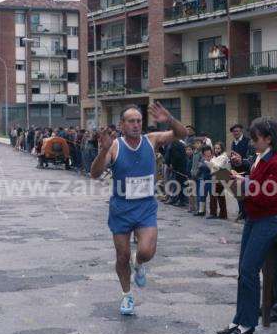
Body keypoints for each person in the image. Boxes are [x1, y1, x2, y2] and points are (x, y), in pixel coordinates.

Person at [90, 102, 187, 316]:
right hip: (121, 208)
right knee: (122, 255)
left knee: (146, 251)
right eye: (131, 121)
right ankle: (127, 295)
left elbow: (182, 133)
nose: (136, 125)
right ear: (122, 125)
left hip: (145, 207)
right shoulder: (115, 146)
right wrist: (104, 149)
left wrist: (169, 118)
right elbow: (95, 173)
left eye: (139, 121)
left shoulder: (151, 140)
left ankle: (140, 262)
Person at [217, 118, 277, 334]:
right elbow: (259, 183)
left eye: (255, 138)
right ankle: (239, 318)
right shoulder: (263, 157)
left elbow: (272, 195)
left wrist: (239, 186)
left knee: (249, 270)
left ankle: (248, 323)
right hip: (257, 217)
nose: (252, 143)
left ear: (268, 138)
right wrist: (239, 178)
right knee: (244, 270)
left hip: (269, 219)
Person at [209, 142, 228, 220]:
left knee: (214, 195)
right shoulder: (215, 157)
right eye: (215, 148)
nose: (216, 150)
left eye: (218, 148)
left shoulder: (223, 157)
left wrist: (211, 162)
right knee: (220, 195)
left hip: (221, 176)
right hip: (214, 176)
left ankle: (214, 213)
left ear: (222, 149)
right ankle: (223, 214)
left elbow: (218, 166)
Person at [194, 146, 213, 217]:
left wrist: (204, 164)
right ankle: (201, 211)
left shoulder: (213, 160)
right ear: (203, 155)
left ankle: (212, 212)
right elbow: (199, 169)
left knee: (212, 196)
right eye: (206, 155)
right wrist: (196, 176)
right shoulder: (202, 160)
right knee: (202, 196)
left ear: (211, 154)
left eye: (209, 155)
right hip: (203, 179)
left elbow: (210, 167)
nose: (208, 157)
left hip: (211, 180)